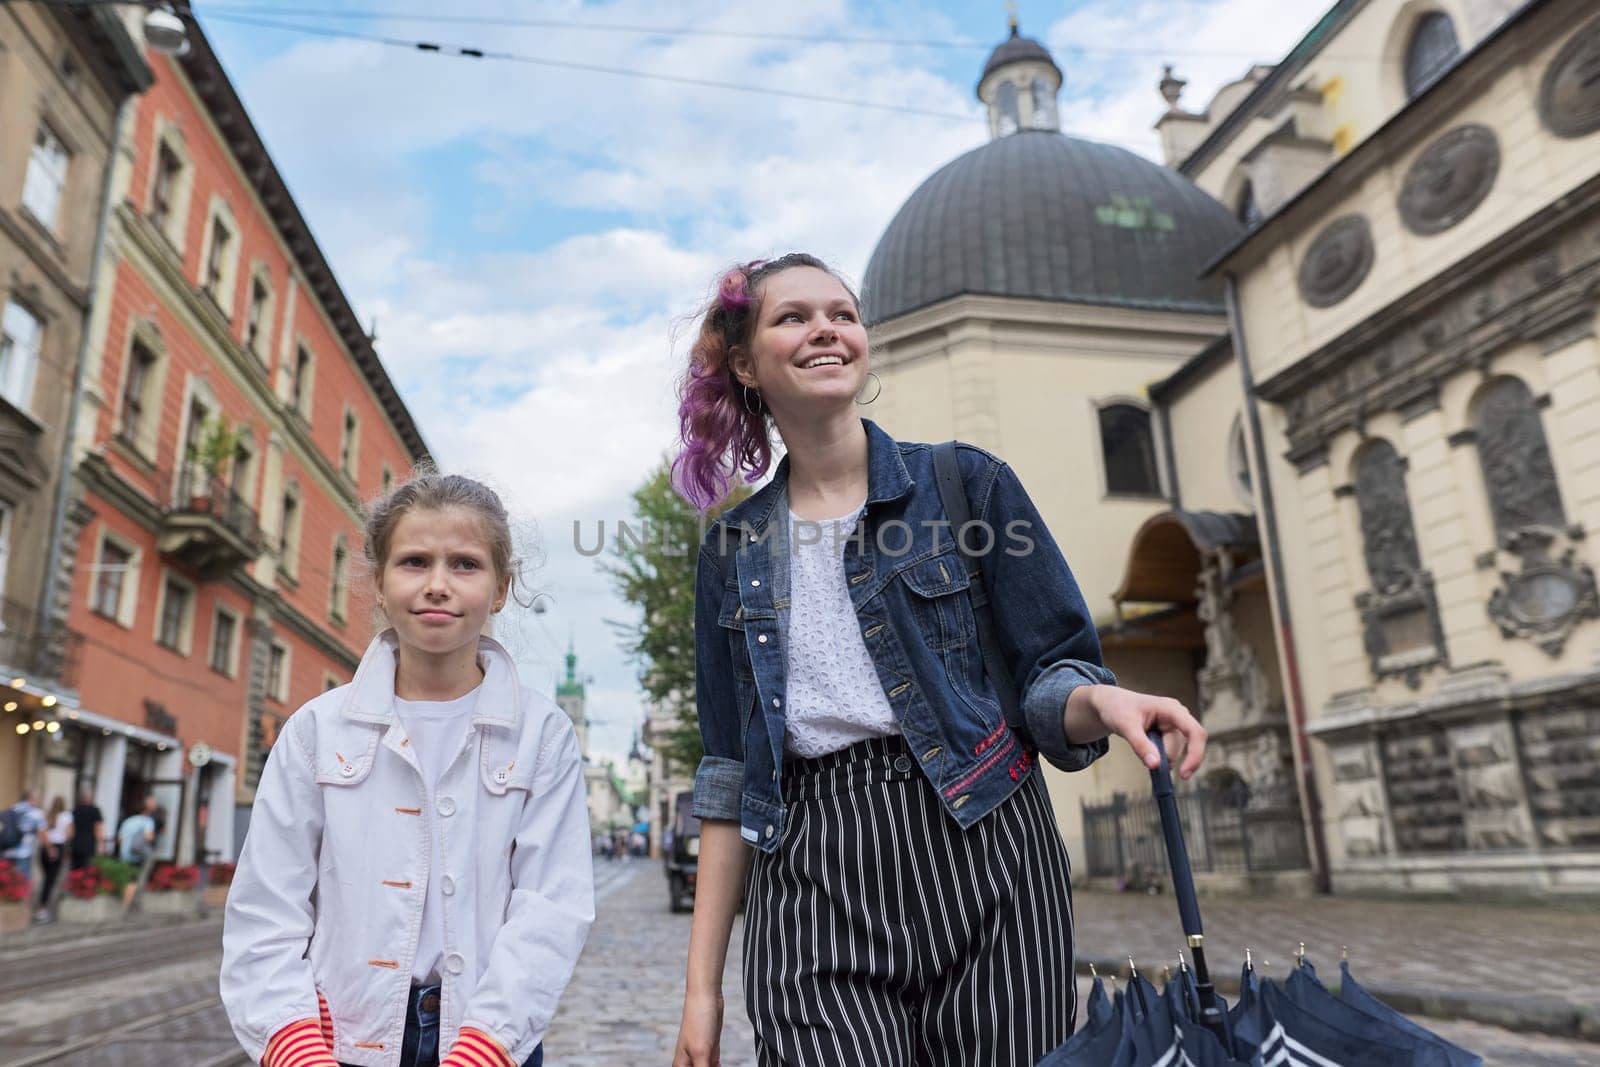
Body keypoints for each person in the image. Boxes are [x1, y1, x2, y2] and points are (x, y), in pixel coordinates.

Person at [669, 255, 1207, 1067]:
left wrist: (1108, 703)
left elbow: (1049, 675)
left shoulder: (967, 485)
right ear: (746, 363)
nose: (825, 328)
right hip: (812, 867)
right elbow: (727, 775)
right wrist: (702, 991)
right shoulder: (730, 548)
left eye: (842, 313)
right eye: (793, 316)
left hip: (985, 845)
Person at [221, 472, 594, 1067]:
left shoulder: (541, 734)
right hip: (340, 1039)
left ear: (501, 588)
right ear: (379, 582)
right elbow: (267, 904)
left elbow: (552, 903)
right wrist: (291, 1040)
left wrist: (490, 1040)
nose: (438, 585)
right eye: (415, 562)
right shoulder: (317, 730)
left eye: (466, 565)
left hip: (486, 1038)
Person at [116, 794, 158, 913]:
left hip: (124, 854)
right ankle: (126, 906)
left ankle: (124, 903)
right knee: (133, 881)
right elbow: (148, 837)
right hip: (137, 855)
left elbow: (119, 839)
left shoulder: (128, 821)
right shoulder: (147, 821)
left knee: (126, 879)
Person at [34, 795, 71, 920]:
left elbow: (41, 833)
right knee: (50, 880)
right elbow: (69, 834)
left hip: (44, 848)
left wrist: (48, 847)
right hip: (57, 848)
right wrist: (54, 848)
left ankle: (41, 905)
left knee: (46, 879)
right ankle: (42, 908)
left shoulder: (46, 815)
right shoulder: (66, 816)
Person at [1, 789, 45, 892]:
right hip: (24, 852)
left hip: (7, 849)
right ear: (31, 799)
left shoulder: (12, 808)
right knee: (22, 882)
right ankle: (19, 905)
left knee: (6, 880)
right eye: (37, 799)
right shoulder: (37, 813)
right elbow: (42, 832)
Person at [69, 787, 105, 870]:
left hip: (76, 843)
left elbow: (71, 829)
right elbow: (98, 828)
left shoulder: (75, 810)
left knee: (75, 869)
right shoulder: (95, 811)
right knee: (87, 869)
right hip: (89, 844)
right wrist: (101, 844)